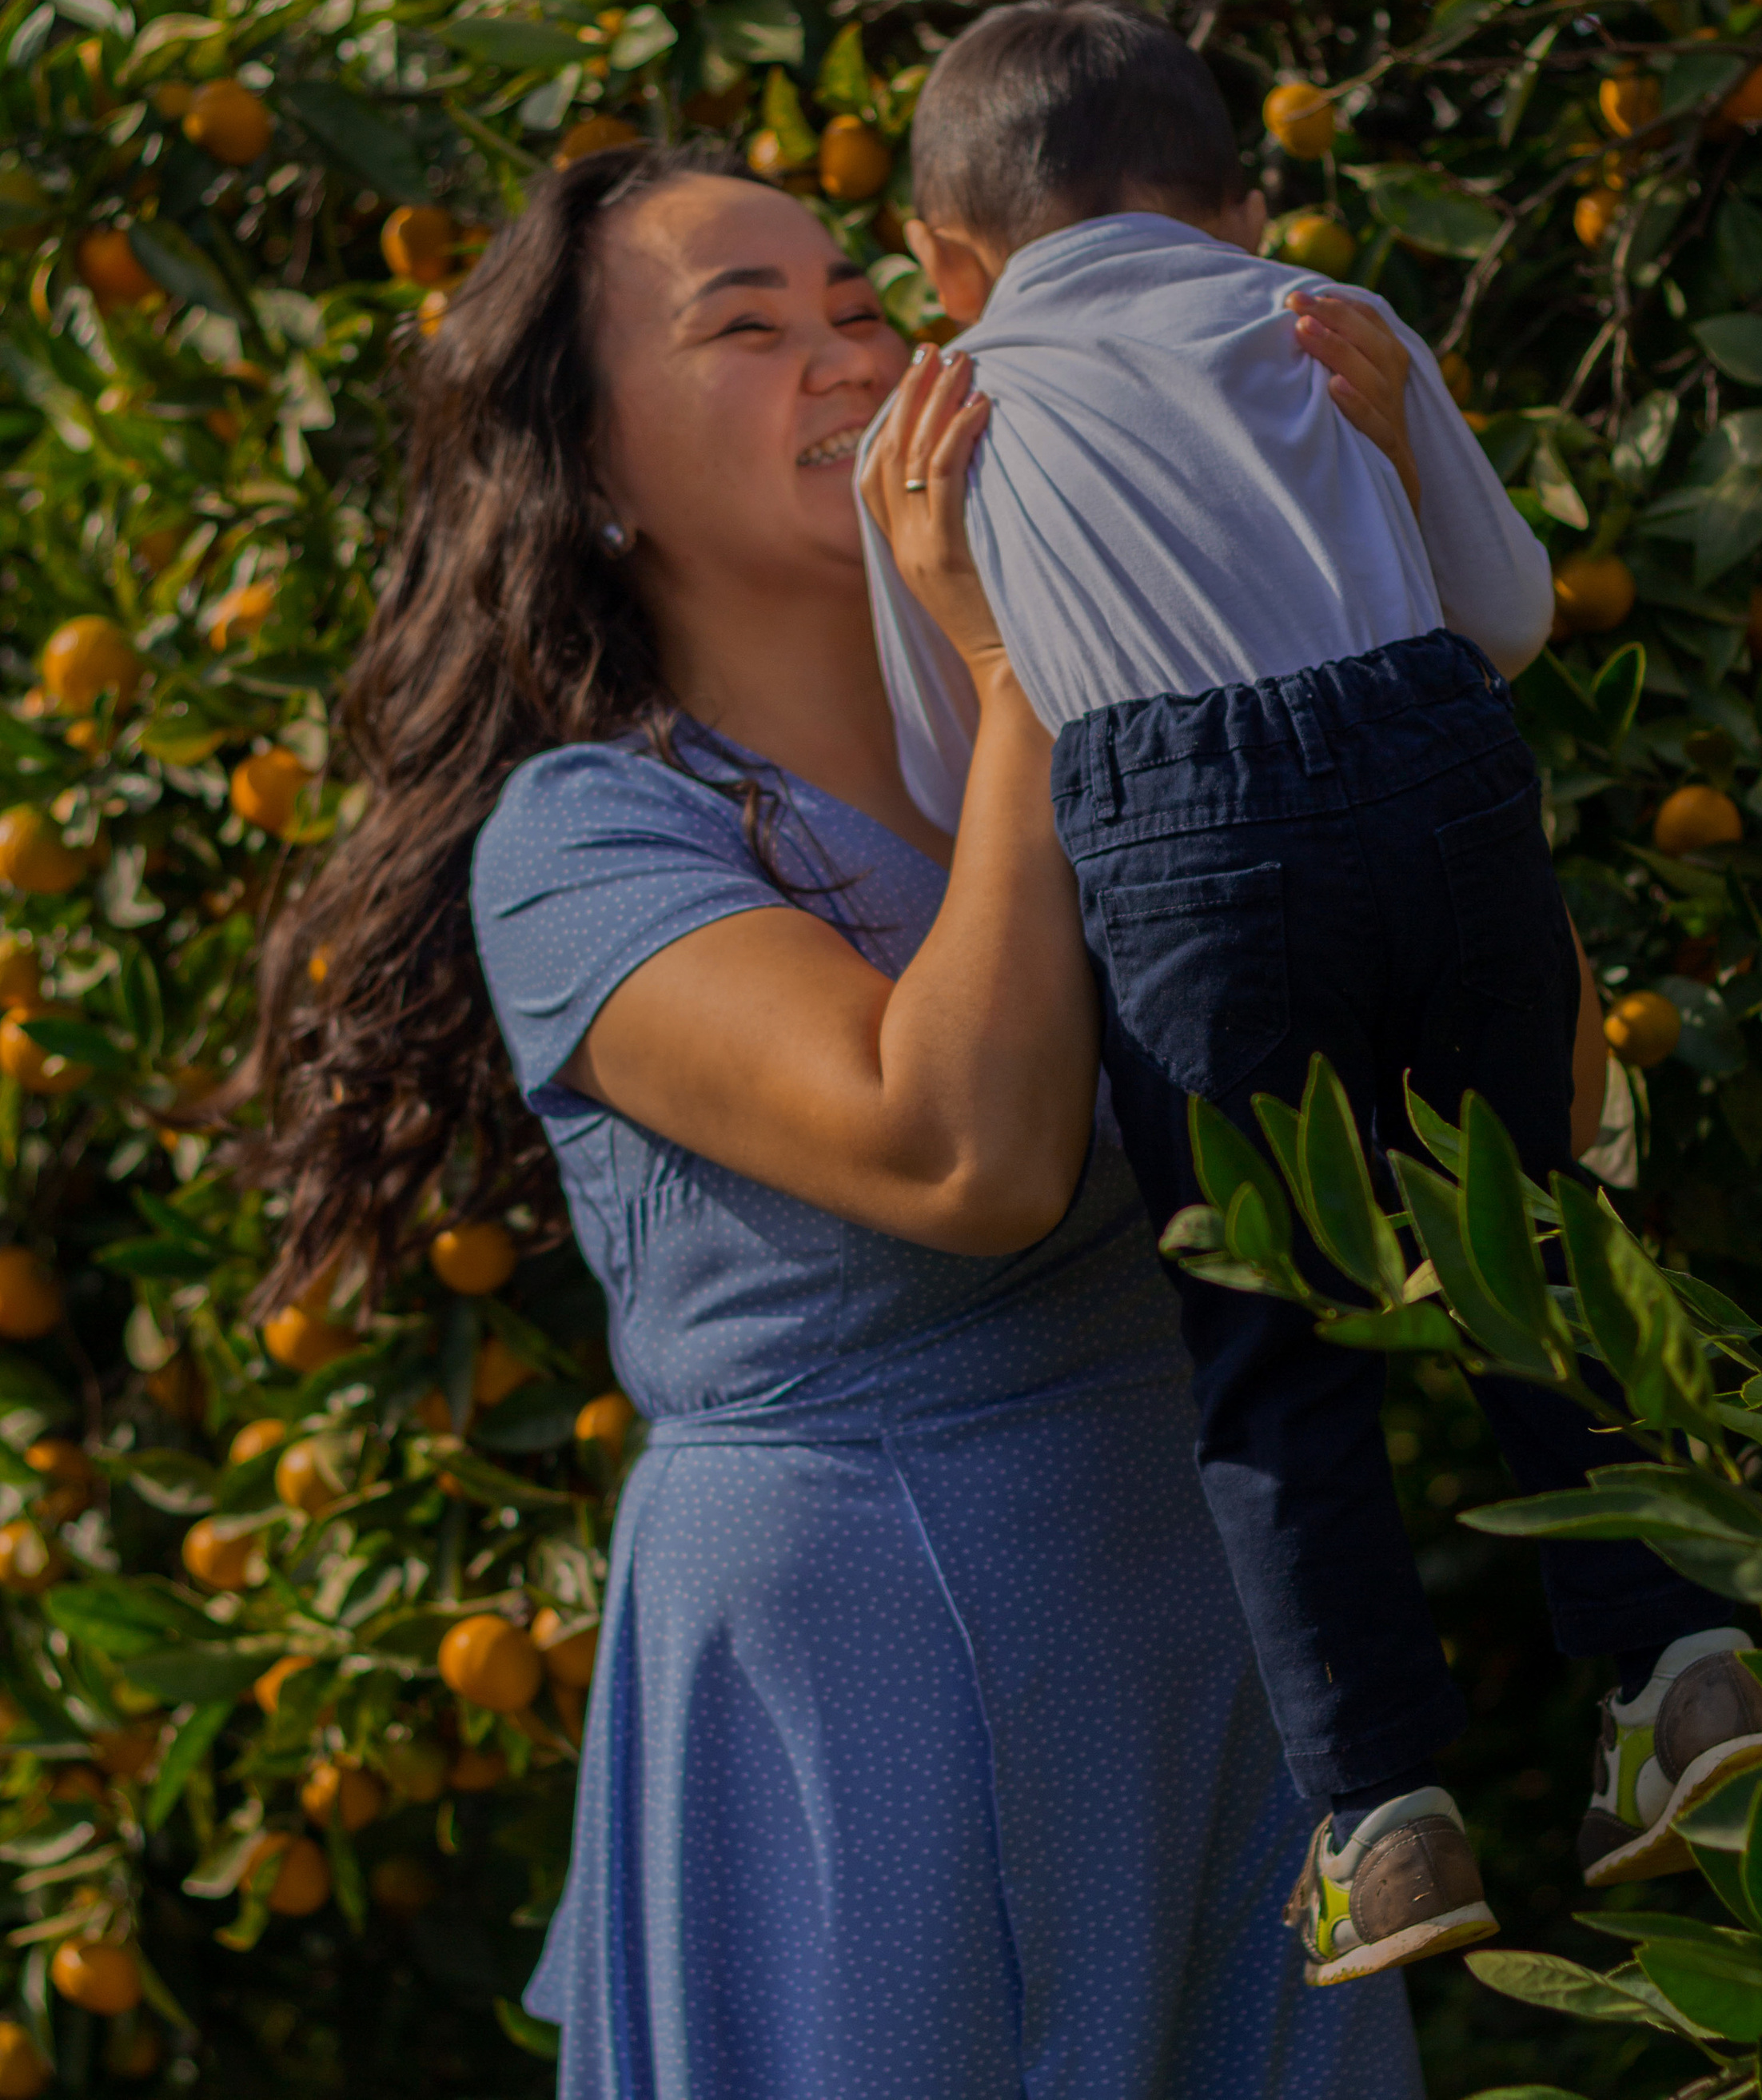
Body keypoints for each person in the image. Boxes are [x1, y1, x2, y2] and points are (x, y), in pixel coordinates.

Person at [234, 138, 1433, 2098]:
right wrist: (1033, 658)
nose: (843, 354)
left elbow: (1495, 1105)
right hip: (859, 1677)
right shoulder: (590, 838)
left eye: (865, 306)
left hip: (1211, 1630)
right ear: (597, 477)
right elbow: (957, 1148)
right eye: (745, 322)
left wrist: (1391, 620)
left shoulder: (1131, 728)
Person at [860, 0, 1762, 1986]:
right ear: (1236, 202)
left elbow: (957, 790)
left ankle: (1383, 1819)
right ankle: (1682, 1670)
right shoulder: (1324, 312)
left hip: (1177, 845)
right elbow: (1511, 620)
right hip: (1439, 777)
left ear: (944, 258)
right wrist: (1399, 431)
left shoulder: (930, 422)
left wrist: (955, 597)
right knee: (1537, 1238)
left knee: (1271, 1352)